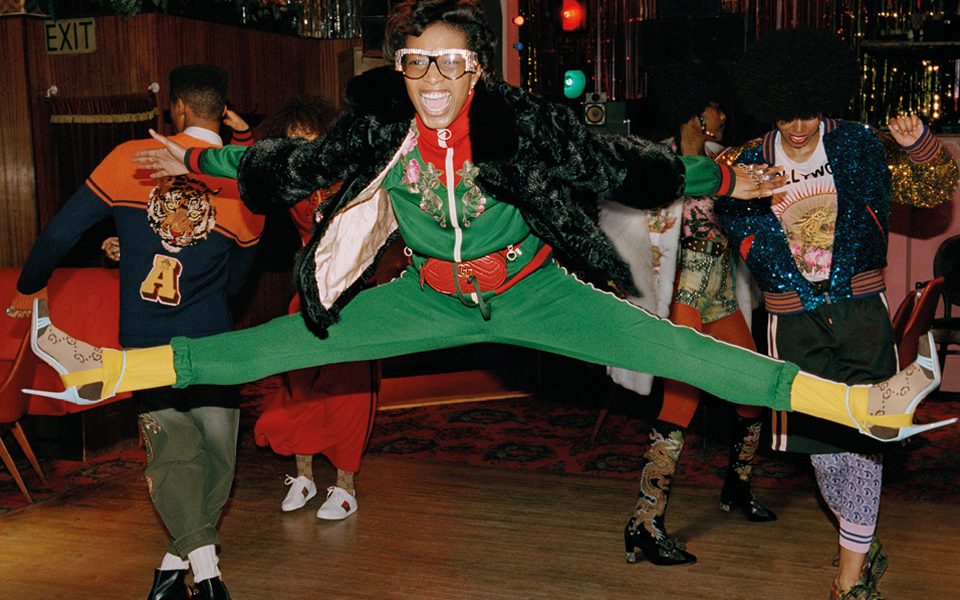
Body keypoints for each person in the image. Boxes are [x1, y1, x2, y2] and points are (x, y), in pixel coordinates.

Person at [24, 0, 949, 577]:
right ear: (401, 71)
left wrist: (723, 177)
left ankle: (861, 404)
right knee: (282, 342)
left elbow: (622, 162)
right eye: (416, 62)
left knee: (686, 352)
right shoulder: (379, 131)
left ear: (476, 71)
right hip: (427, 295)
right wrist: (196, 157)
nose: (431, 77)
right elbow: (281, 162)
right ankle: (108, 369)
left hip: (536, 290)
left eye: (450, 61)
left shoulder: (520, 125)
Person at [715, 29, 960, 599]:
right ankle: (862, 544)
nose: (799, 126)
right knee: (824, 452)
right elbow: (733, 229)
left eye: (809, 111)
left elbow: (934, 190)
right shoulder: (745, 162)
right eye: (786, 114)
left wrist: (921, 146)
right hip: (793, 321)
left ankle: (848, 581)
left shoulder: (859, 144)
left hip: (859, 312)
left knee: (865, 439)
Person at [10, 65, 265, 600]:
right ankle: (208, 577)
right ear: (221, 111)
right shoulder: (247, 182)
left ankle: (176, 568)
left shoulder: (131, 157)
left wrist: (31, 285)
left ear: (176, 108)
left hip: (147, 341)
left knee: (174, 455)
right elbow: (237, 282)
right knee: (217, 458)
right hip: (214, 340)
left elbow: (60, 232)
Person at [599, 60, 775, 567]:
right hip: (683, 302)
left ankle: (737, 486)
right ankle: (644, 522)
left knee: (753, 390)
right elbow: (624, 231)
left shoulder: (727, 165)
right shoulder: (660, 166)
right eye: (717, 109)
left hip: (721, 296)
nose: (724, 117)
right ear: (698, 114)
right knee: (681, 402)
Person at [249, 97, 374, 519]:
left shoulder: (351, 176)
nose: (303, 148)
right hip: (305, 294)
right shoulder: (288, 181)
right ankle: (303, 477)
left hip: (354, 296)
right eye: (294, 141)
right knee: (297, 390)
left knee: (349, 395)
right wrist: (243, 137)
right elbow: (248, 172)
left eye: (311, 138)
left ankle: (345, 486)